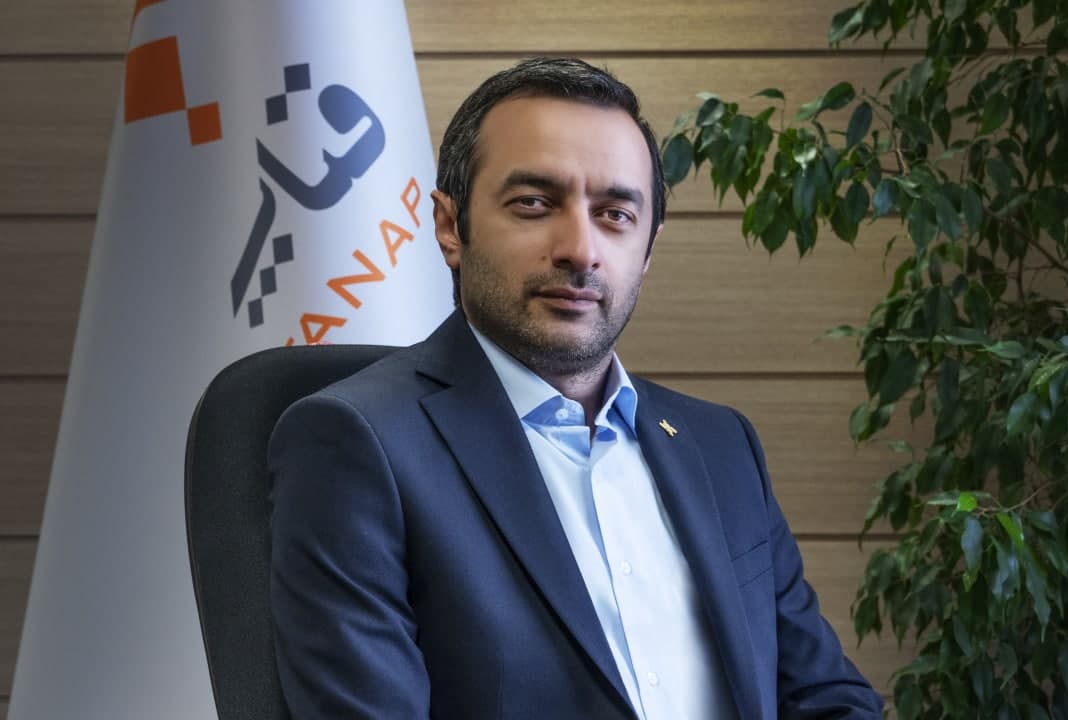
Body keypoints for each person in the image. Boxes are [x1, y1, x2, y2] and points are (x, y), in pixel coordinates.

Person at [268, 57, 883, 719]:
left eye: (615, 214)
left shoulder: (721, 445)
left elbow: (827, 698)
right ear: (450, 226)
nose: (580, 249)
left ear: (648, 250)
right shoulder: (357, 443)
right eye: (534, 204)